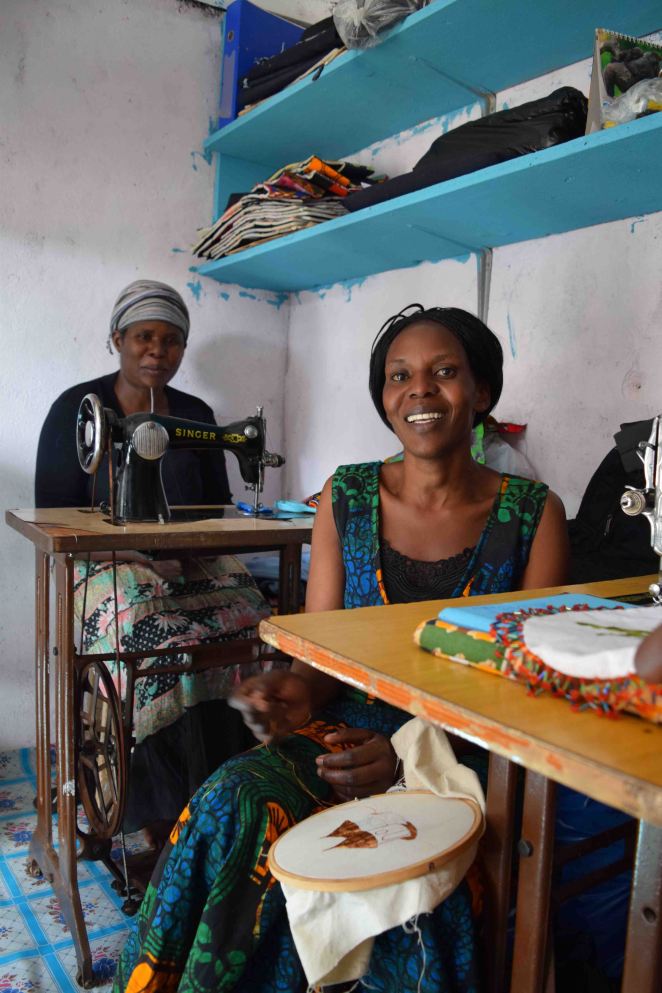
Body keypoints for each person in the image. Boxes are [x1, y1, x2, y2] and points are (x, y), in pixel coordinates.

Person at [113, 304, 568, 993]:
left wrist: (409, 753)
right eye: (399, 375)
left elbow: (530, 694)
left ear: (482, 392)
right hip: (344, 736)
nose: (420, 389)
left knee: (411, 881)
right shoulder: (346, 497)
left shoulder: (534, 513)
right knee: (232, 799)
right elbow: (320, 659)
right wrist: (294, 691)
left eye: (445, 372)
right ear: (384, 397)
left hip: (471, 754)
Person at [35, 279, 269, 845]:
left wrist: (188, 553)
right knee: (146, 619)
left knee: (249, 606)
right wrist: (128, 553)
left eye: (171, 341)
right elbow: (51, 511)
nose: (157, 351)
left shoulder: (195, 413)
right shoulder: (79, 408)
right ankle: (149, 807)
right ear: (117, 338)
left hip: (183, 558)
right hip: (96, 563)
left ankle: (225, 785)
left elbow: (214, 506)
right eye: (144, 337)